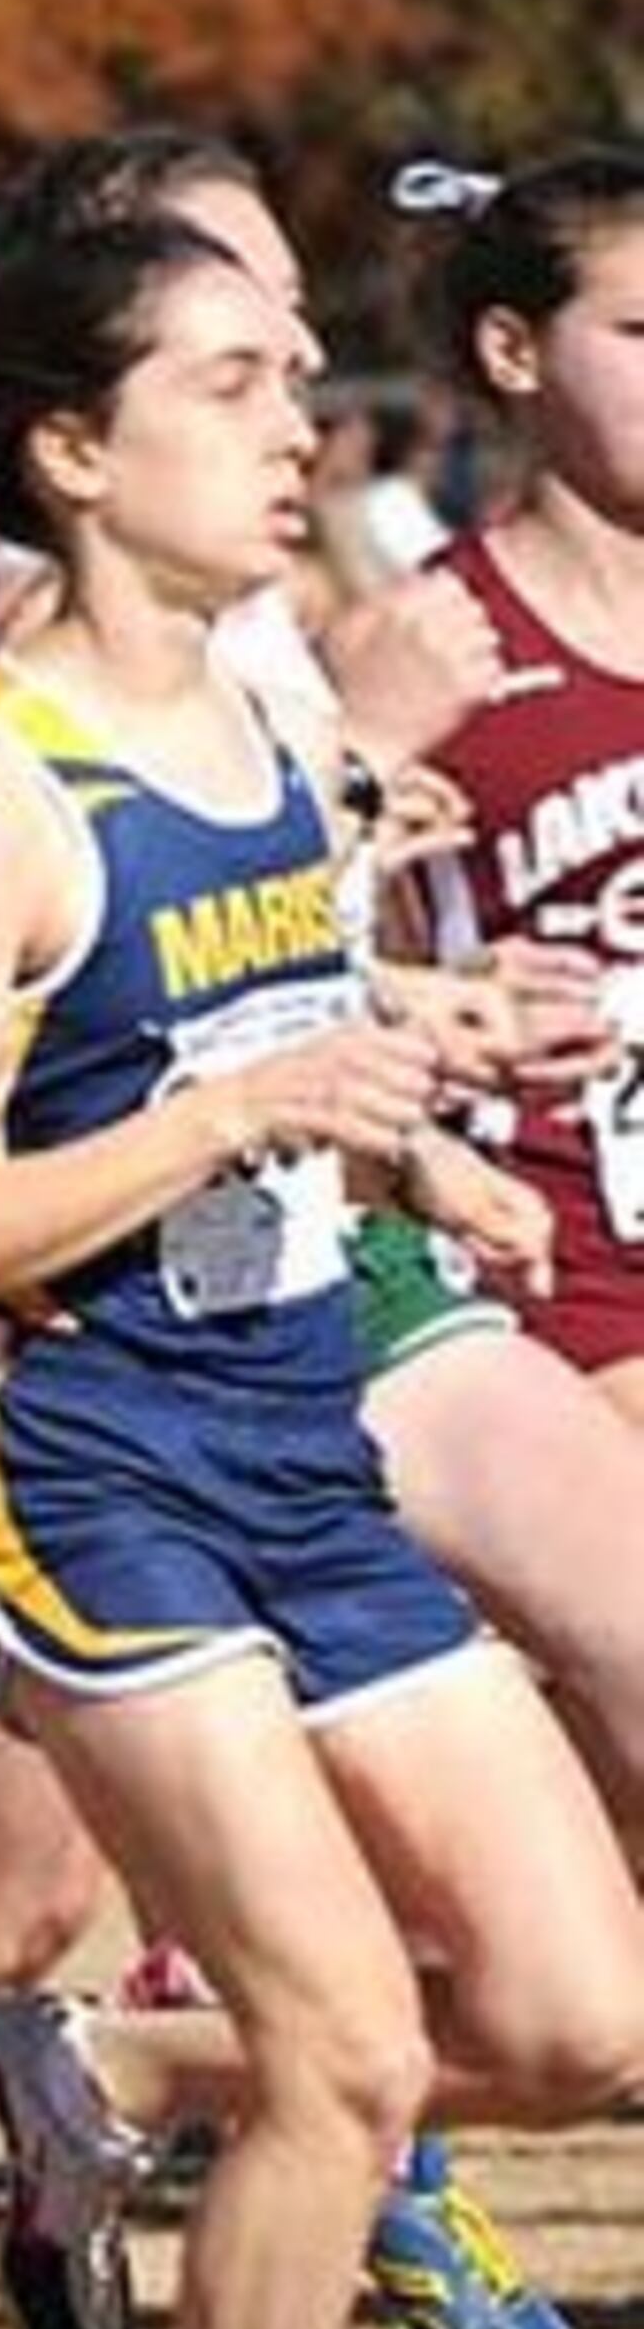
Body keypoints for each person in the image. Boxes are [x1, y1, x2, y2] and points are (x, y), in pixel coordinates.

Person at [0, 206, 644, 2329]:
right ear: (70, 451)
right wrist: (235, 1106)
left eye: (296, 377)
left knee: (577, 2009)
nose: (298, 425)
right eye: (229, 384)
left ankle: (99, 2077)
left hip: (295, 1417)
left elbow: (272, 1025)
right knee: (355, 2044)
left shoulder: (270, 730)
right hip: (81, 1450)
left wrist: (419, 1095)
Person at [405, 150, 644, 1420]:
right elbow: (309, 970)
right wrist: (443, 1000)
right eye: (642, 331)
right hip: (565, 1256)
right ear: (516, 351)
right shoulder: (428, 648)